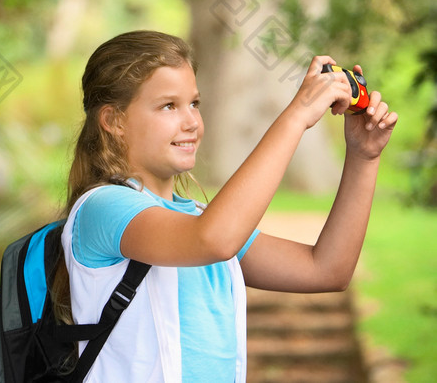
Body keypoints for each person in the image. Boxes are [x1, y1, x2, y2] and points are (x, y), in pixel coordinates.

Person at [52, 29, 398, 383]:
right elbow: (213, 240)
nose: (191, 123)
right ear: (114, 121)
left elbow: (326, 270)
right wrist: (297, 115)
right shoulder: (103, 208)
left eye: (194, 104)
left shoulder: (199, 219)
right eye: (169, 105)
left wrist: (364, 156)